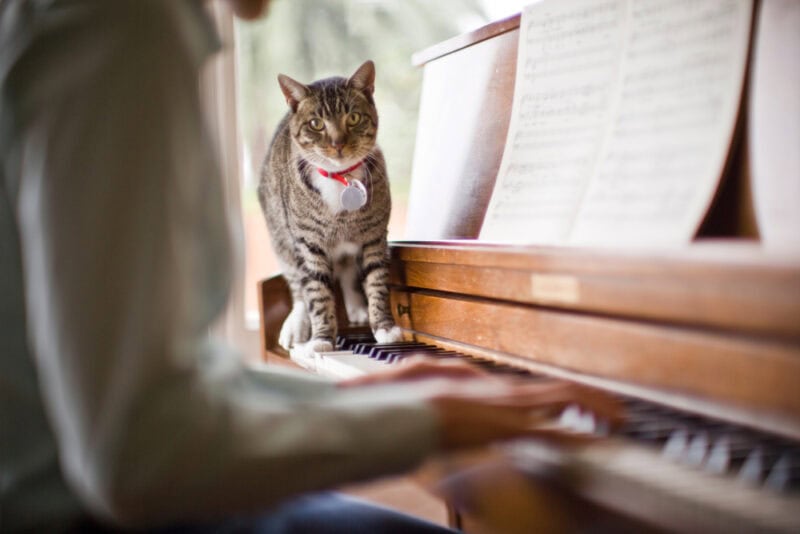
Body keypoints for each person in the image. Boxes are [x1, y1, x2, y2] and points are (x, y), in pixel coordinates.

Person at [0, 0, 620, 532]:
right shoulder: (122, 23)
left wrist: (370, 399)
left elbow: (151, 390)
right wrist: (419, 422)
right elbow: (133, 456)